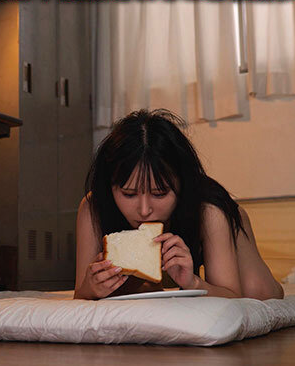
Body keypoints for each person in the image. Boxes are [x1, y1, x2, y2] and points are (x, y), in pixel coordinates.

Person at [74, 109, 284, 301]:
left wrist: (193, 283)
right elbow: (81, 294)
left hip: (217, 215)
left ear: (182, 184)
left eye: (160, 193)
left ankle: (237, 219)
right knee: (141, 291)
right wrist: (91, 288)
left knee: (258, 293)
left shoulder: (208, 212)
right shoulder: (93, 207)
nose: (145, 210)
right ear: (109, 187)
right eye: (129, 194)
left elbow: (231, 296)